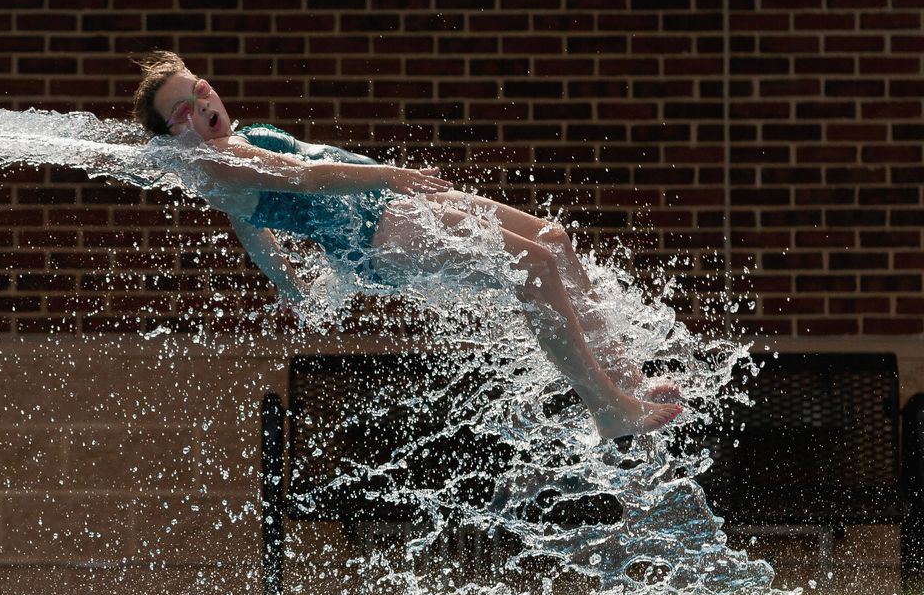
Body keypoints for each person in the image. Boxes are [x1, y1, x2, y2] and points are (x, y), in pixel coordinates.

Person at [130, 50, 681, 439]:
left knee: (551, 239)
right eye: (182, 112)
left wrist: (286, 282)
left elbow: (251, 225)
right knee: (533, 267)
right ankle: (608, 408)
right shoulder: (219, 162)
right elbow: (304, 176)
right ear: (174, 136)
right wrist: (392, 176)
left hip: (390, 207)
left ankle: (626, 378)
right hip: (377, 234)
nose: (200, 105)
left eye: (198, 89)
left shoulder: (233, 145)